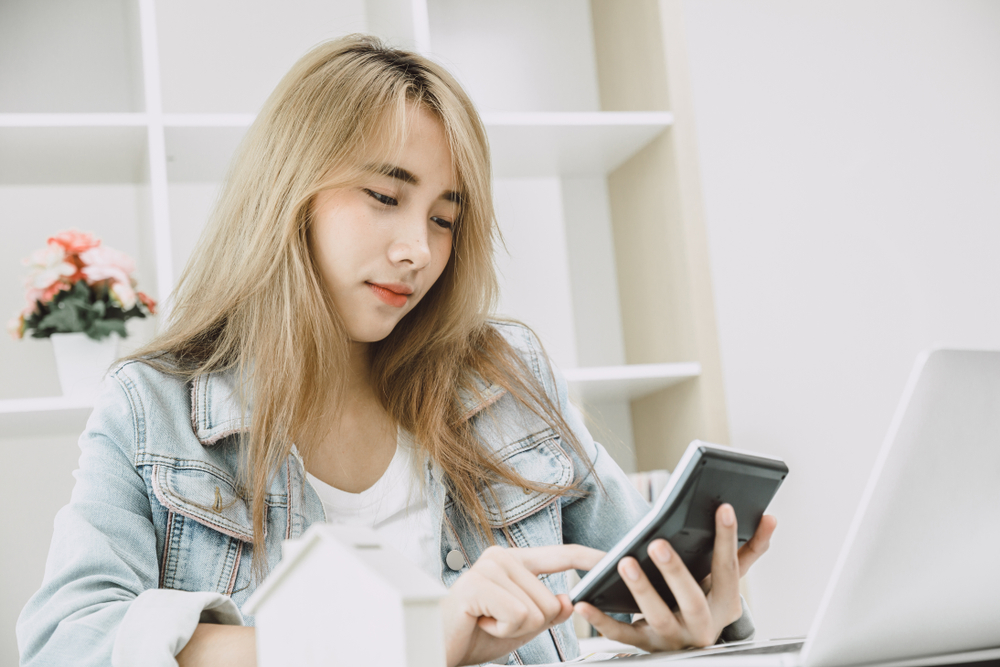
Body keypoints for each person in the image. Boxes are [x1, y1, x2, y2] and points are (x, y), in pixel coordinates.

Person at [16, 35, 776, 667]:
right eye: (384, 196)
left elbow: (632, 577)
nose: (418, 249)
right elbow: (66, 641)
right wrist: (397, 642)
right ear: (289, 190)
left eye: (445, 218)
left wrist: (686, 632)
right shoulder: (153, 409)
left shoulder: (506, 376)